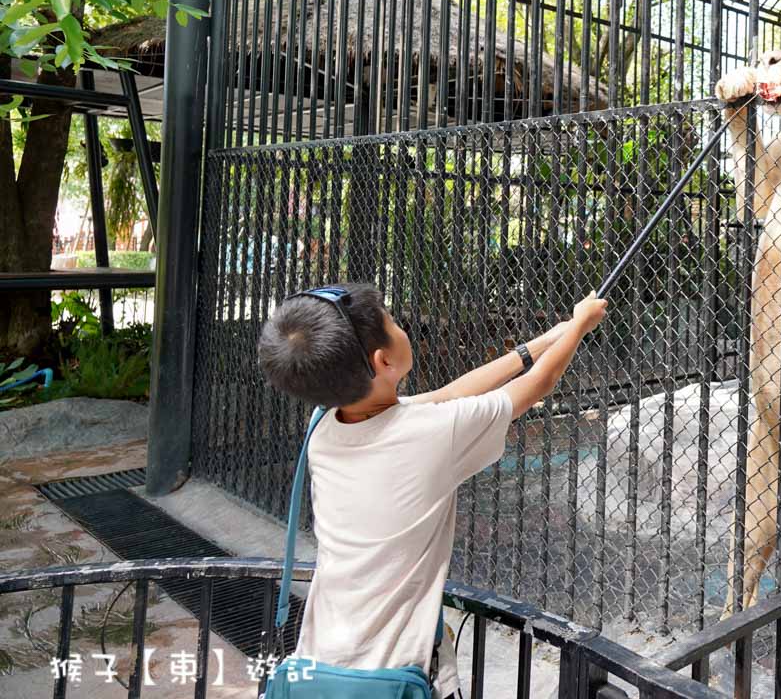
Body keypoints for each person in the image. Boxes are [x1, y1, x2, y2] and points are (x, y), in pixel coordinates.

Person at [257, 282, 609, 699]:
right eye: (391, 319)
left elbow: (447, 395)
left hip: (321, 658)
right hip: (396, 673)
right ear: (383, 359)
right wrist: (582, 326)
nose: (398, 324)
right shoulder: (429, 435)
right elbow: (537, 385)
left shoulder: (325, 426)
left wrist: (551, 337)